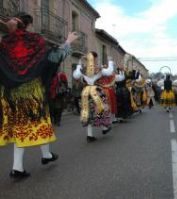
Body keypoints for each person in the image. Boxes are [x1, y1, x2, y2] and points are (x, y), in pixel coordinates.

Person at [0, 13, 78, 178]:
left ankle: (39, 158)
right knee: (39, 123)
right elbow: (54, 56)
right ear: (28, 25)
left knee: (25, 126)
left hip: (12, 94)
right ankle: (25, 164)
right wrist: (68, 42)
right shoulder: (35, 40)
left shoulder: (5, 43)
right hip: (32, 92)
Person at [73, 52, 112, 142]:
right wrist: (110, 62)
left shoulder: (83, 69)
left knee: (88, 113)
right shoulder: (99, 68)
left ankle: (89, 135)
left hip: (86, 92)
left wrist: (79, 65)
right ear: (95, 59)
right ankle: (104, 128)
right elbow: (109, 72)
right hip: (96, 91)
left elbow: (76, 75)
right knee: (100, 110)